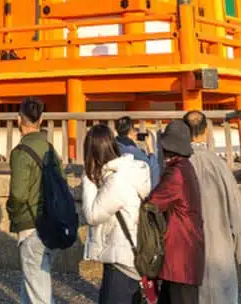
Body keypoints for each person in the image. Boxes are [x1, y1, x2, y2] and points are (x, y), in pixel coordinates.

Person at [185, 110, 241, 304]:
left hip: (189, 243)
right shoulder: (219, 164)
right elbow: (235, 206)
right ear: (206, 131)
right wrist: (238, 240)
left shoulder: (177, 165)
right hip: (220, 239)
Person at [82, 122, 152, 304]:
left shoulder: (117, 181)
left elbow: (92, 215)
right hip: (130, 255)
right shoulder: (127, 171)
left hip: (121, 260)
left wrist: (88, 177)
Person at [6, 96, 63, 304]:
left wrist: (12, 211)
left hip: (31, 225)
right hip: (53, 223)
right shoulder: (51, 150)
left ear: (19, 118)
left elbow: (18, 195)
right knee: (32, 284)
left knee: (38, 293)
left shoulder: (21, 153)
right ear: (41, 119)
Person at [148, 118, 205, 304]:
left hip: (179, 252)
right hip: (187, 248)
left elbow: (153, 203)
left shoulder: (175, 173)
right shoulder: (185, 167)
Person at [115, 116, 160, 188]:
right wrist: (150, 147)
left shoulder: (115, 145)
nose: (136, 132)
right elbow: (152, 168)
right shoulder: (133, 151)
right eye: (135, 129)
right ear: (130, 131)